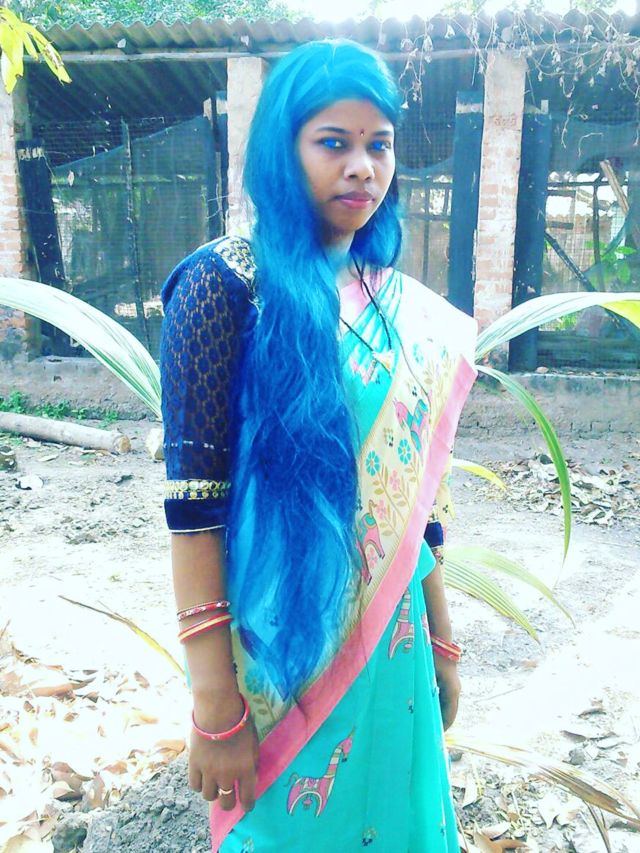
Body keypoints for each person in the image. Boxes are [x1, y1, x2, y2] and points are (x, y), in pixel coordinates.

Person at [160, 39, 477, 853]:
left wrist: (441, 639)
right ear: (282, 149)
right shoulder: (221, 287)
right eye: (333, 142)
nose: (362, 167)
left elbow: (418, 503)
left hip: (392, 642)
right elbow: (194, 514)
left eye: (380, 145)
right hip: (276, 658)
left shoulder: (394, 304)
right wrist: (215, 706)